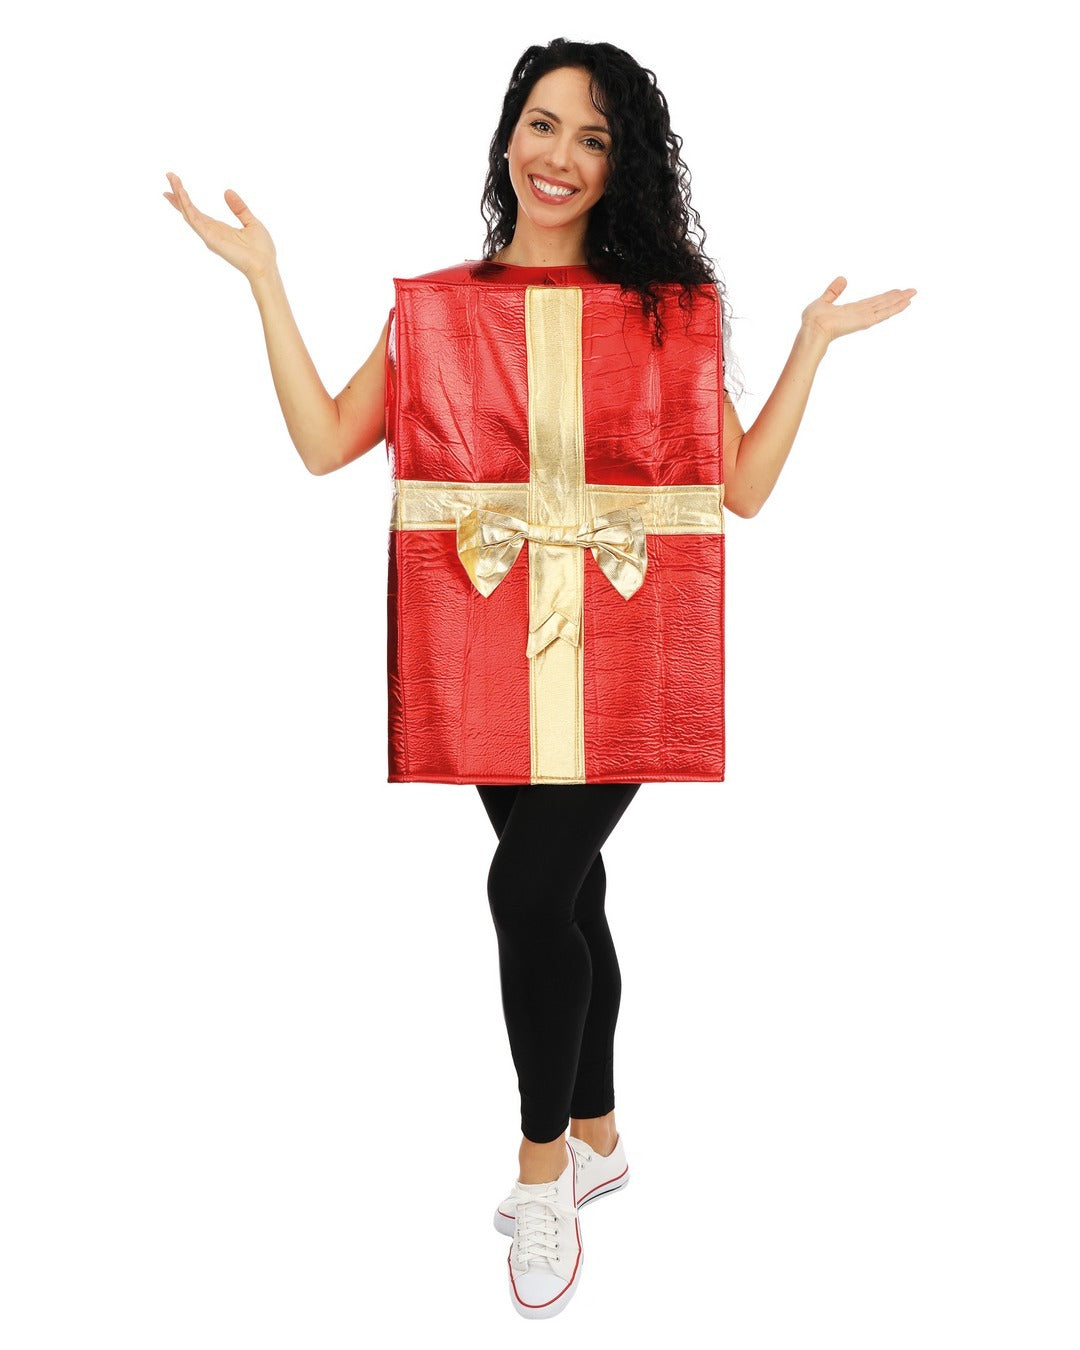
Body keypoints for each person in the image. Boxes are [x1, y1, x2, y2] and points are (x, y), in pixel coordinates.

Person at [164, 36, 916, 1321]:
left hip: (622, 651)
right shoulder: (444, 309)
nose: (560, 157)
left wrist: (809, 348)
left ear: (621, 169)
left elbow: (735, 489)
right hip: (488, 654)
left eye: (594, 138)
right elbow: (324, 443)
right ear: (508, 134)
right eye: (545, 124)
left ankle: (543, 1173)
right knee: (569, 892)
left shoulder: (666, 311)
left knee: (525, 882)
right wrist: (265, 283)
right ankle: (607, 1133)